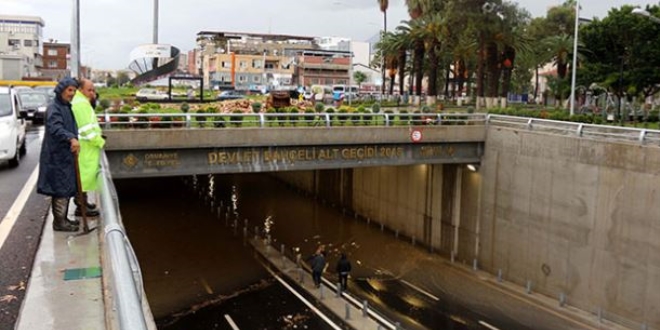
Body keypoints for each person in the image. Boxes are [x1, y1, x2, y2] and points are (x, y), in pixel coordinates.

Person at [37, 77, 80, 232]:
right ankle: (59, 222)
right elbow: (55, 128)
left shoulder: (66, 107)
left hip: (65, 155)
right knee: (60, 188)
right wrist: (70, 137)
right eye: (70, 90)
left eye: (74, 90)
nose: (72, 93)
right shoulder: (54, 108)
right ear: (61, 90)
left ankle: (63, 219)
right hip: (57, 156)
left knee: (66, 186)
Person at [71, 79, 105, 217]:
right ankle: (81, 206)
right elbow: (86, 128)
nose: (92, 93)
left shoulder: (81, 102)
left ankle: (83, 202)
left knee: (84, 178)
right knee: (83, 178)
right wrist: (99, 141)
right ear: (81, 90)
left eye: (93, 90)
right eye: (89, 90)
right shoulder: (81, 105)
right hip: (86, 147)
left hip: (86, 147)